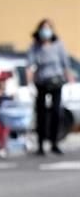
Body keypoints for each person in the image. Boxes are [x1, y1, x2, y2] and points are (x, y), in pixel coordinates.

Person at [27, 19, 74, 156]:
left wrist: (70, 81)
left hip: (56, 82)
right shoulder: (35, 46)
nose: (46, 31)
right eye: (43, 28)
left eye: (48, 28)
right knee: (41, 114)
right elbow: (30, 66)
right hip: (42, 83)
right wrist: (29, 84)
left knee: (56, 113)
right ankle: (40, 145)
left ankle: (54, 143)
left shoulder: (58, 45)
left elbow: (66, 64)